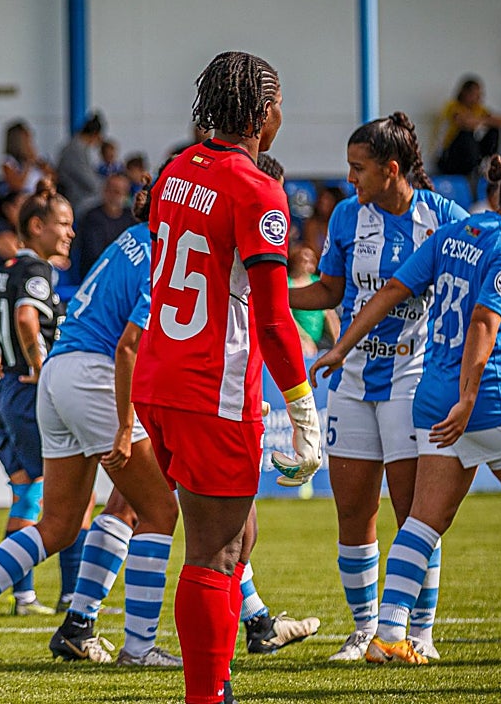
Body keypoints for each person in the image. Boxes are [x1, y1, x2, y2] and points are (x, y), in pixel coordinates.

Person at [312, 154, 501, 664]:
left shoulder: (455, 233)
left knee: (423, 521)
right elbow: (483, 324)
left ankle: (388, 634)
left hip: (431, 396)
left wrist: (342, 346)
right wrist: (471, 397)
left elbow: (392, 291)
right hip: (488, 397)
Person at [131, 51, 322, 704]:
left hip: (159, 378)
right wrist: (302, 411)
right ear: (264, 112)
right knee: (213, 552)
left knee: (232, 537)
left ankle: (218, 683)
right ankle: (208, 696)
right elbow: (272, 320)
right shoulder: (256, 188)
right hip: (211, 388)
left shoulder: (176, 170)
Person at [0, 199, 181, 667]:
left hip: (58, 372)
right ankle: (140, 648)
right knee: (159, 510)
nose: (67, 233)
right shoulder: (168, 249)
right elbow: (128, 345)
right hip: (92, 376)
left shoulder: (127, 242)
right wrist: (126, 426)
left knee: (58, 524)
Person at [287, 112, 467, 662]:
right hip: (353, 380)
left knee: (414, 514)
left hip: (414, 379)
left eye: (358, 168)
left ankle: (420, 633)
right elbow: (330, 291)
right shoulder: (346, 217)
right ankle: (366, 631)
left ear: (392, 169)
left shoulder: (444, 218)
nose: (349, 179)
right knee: (352, 513)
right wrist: (274, 297)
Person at [0, 180, 83, 618]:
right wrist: (41, 369)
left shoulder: (3, 270)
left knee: (26, 495)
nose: (70, 233)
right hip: (31, 394)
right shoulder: (37, 271)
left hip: (6, 393)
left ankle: (24, 596)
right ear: (37, 227)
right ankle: (74, 598)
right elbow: (27, 317)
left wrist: (2, 366)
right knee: (75, 498)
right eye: (63, 224)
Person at [435, 77, 501, 178]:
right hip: (450, 155)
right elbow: (464, 122)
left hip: (470, 154)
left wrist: (481, 120)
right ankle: (471, 169)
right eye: (475, 94)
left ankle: (490, 164)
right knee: (466, 134)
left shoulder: (478, 109)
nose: (478, 98)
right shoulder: (453, 106)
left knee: (494, 131)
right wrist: (483, 120)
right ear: (465, 93)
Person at [73, 173, 135, 280]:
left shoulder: (130, 218)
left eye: (118, 192)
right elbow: (94, 254)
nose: (112, 195)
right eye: (109, 190)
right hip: (95, 276)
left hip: (124, 276)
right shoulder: (91, 217)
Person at [287, 243, 339, 357]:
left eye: (312, 258)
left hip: (320, 342)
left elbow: (330, 315)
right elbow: (287, 316)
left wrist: (338, 344)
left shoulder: (318, 283)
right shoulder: (287, 283)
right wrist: (303, 339)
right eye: (305, 258)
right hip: (297, 343)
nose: (310, 260)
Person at [56, 112, 107, 216]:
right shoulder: (74, 150)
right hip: (77, 200)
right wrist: (109, 186)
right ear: (95, 134)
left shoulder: (80, 148)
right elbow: (90, 182)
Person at [0, 119, 51, 196]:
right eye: (26, 140)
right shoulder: (8, 162)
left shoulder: (37, 160)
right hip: (23, 199)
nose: (30, 143)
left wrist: (40, 163)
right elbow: (17, 186)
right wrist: (28, 164)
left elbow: (53, 178)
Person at [300, 186, 341, 257]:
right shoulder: (312, 224)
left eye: (328, 199)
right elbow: (312, 250)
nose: (323, 202)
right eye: (322, 199)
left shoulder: (340, 225)